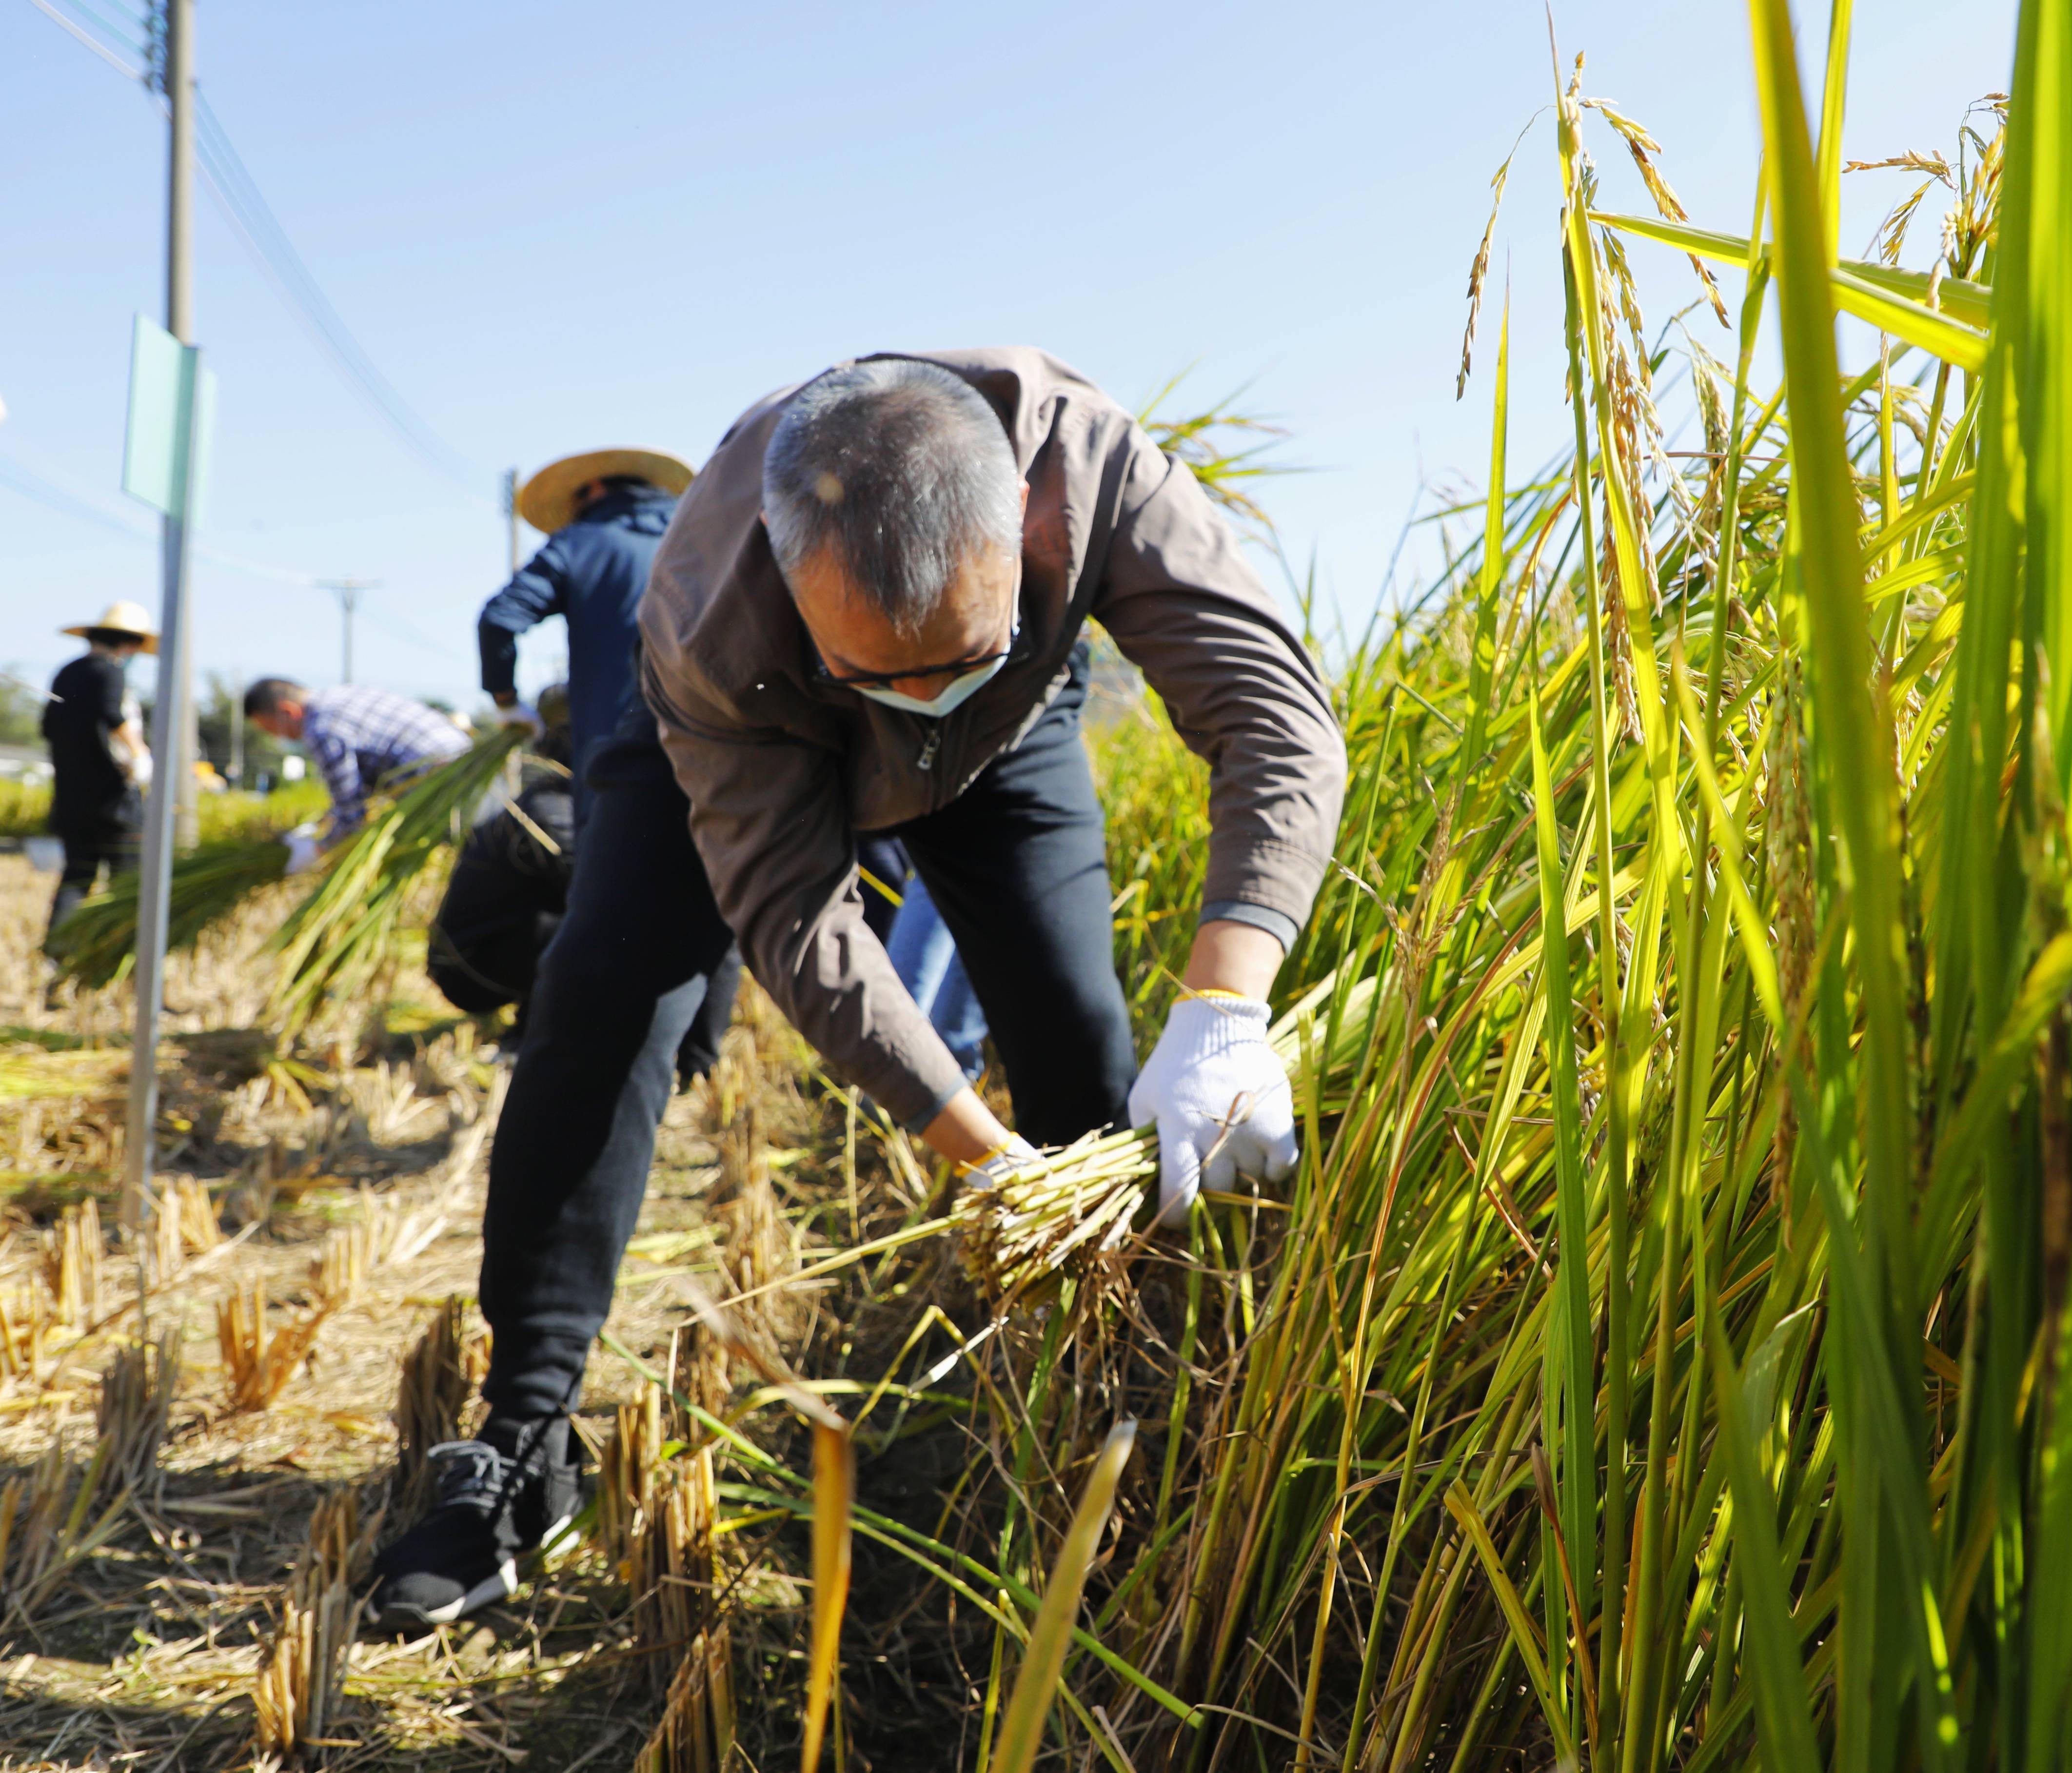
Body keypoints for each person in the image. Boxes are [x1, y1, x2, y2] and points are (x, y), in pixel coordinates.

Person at [366, 350, 1344, 1627]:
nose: (916, 696)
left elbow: (1275, 716)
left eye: (951, 650)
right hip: (740, 737)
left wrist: (1225, 1005)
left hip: (1007, 741)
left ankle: (1115, 1417)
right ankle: (524, 1437)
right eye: (888, 670)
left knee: (1078, 1046)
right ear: (788, 575)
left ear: (1027, 532)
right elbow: (794, 919)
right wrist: (979, 1154)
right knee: (599, 1005)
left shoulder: (1097, 474)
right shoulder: (705, 609)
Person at [426, 686, 983, 1082]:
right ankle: (573, 1042)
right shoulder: (549, 811)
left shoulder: (547, 800)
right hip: (475, 967)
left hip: (486, 953)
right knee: (619, 928)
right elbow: (619, 905)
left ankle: (668, 1052)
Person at [480, 448, 693, 759]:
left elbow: (499, 620)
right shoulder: (698, 536)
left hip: (616, 752)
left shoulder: (579, 542)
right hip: (713, 749)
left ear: (595, 488)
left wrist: (507, 702)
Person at [242, 679, 471, 867]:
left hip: (448, 788)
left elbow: (353, 815)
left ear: (287, 712)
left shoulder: (321, 729)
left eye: (271, 729)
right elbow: (360, 787)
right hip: (468, 760)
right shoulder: (342, 696)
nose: (278, 738)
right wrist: (321, 824)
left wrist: (317, 851)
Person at [40, 601, 155, 930]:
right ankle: (117, 947)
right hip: (114, 802)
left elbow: (48, 727)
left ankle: (58, 950)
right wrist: (139, 753)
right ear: (128, 643)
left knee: (77, 877)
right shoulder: (111, 670)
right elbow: (112, 714)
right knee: (127, 881)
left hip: (71, 799)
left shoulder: (66, 672)